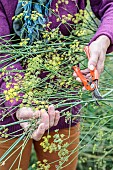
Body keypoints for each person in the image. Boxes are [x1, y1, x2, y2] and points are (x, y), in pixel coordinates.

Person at [0, 0, 113, 170]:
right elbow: (3, 54)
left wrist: (103, 39)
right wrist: (20, 102)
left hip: (63, 106)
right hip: (6, 113)